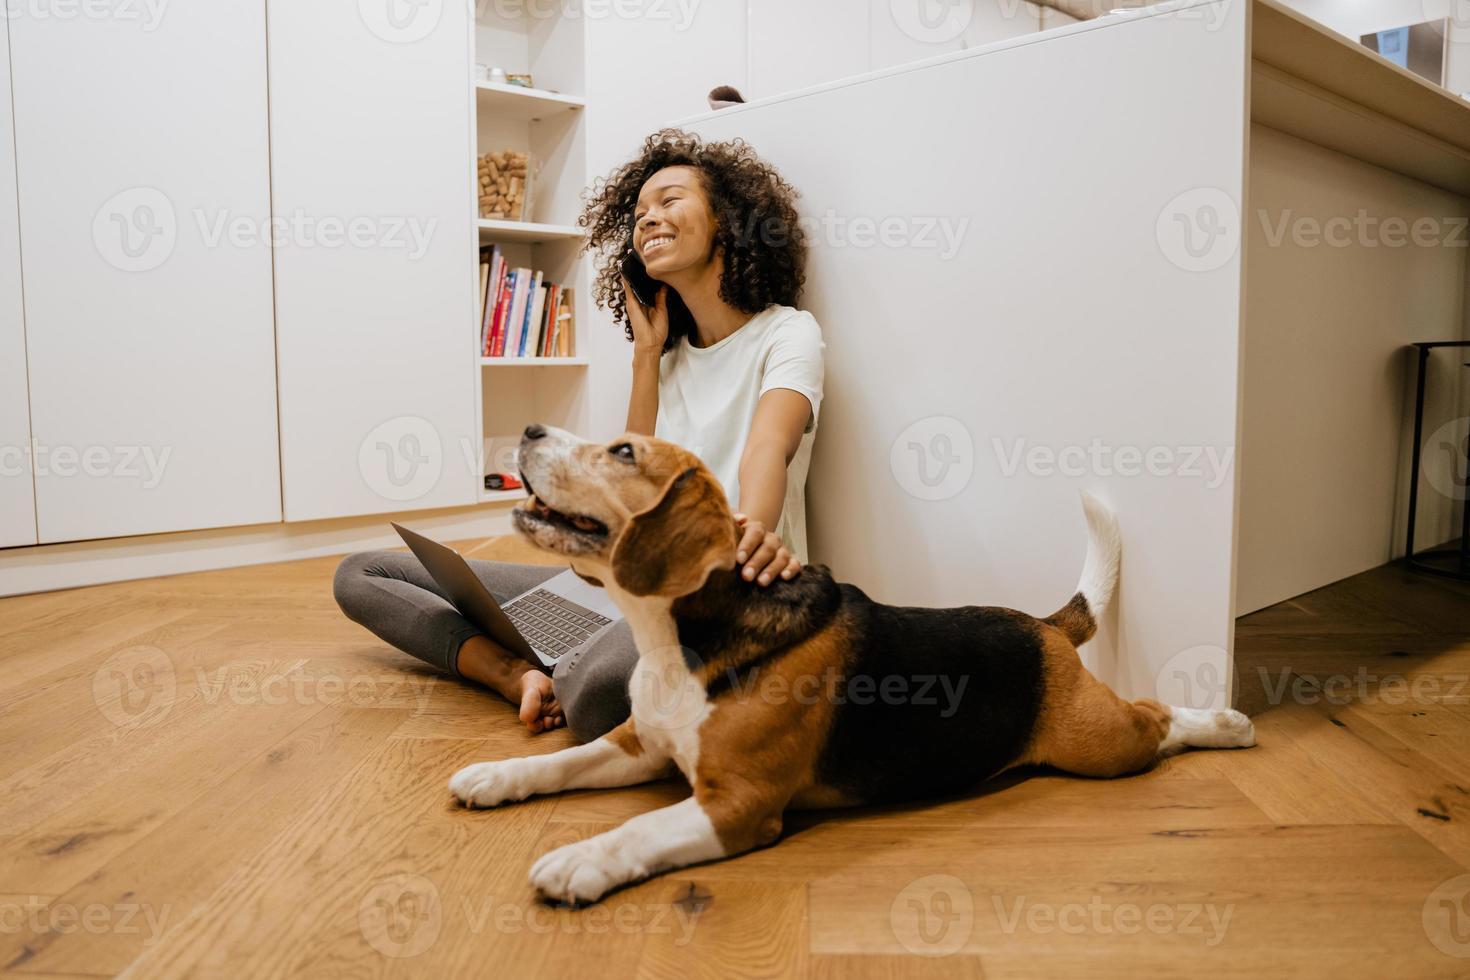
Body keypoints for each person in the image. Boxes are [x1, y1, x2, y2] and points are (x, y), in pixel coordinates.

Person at [333, 128, 825, 742]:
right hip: (617, 584)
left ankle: (567, 653)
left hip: (713, 604)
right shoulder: (665, 358)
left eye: (669, 202)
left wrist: (749, 533)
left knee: (594, 697)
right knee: (361, 574)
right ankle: (514, 674)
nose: (649, 219)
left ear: (728, 220)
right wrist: (647, 354)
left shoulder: (788, 334)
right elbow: (621, 486)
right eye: (640, 212)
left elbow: (766, 451)